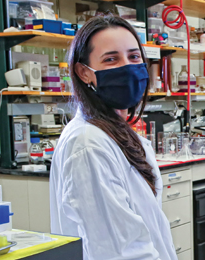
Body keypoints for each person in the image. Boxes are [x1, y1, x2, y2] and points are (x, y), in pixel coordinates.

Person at [49, 16, 177, 260]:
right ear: (84, 73)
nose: (127, 67)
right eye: (111, 59)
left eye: (134, 56)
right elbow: (120, 251)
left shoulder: (116, 133)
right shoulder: (88, 145)